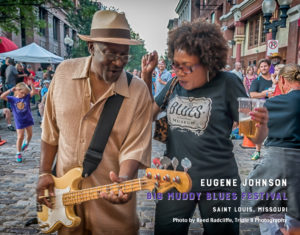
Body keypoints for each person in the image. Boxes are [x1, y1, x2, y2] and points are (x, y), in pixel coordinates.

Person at [36, 10, 152, 235]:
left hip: (113, 211)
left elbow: (135, 148)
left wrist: (124, 180)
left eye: (124, 55)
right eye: (110, 54)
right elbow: (50, 131)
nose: (119, 62)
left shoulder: (138, 91)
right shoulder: (63, 74)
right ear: (91, 48)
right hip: (64, 202)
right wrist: (43, 173)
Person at [142, 19, 247, 235]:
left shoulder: (229, 83)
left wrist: (260, 125)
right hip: (174, 179)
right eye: (175, 65)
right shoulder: (173, 85)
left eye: (186, 67)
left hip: (218, 181)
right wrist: (146, 77)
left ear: (208, 62)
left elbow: (253, 133)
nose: (179, 72)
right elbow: (147, 115)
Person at [249, 63, 300, 234]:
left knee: (267, 210)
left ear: (283, 80)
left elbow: (257, 137)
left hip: (275, 164)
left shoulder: (272, 103)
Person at [0, 82, 37, 162]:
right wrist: (10, 90)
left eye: (25, 93)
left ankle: (26, 143)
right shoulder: (12, 99)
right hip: (19, 121)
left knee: (30, 134)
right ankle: (18, 153)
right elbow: (2, 96)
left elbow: (33, 92)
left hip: (28, 119)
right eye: (22, 93)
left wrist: (32, 85)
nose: (23, 95)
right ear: (17, 91)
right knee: (20, 137)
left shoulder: (26, 97)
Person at [249, 59, 273, 160]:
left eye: (265, 66)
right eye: (261, 66)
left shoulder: (275, 79)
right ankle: (257, 151)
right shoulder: (257, 80)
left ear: (269, 66)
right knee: (259, 130)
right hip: (261, 109)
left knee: (274, 129)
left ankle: (273, 152)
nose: (263, 68)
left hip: (274, 108)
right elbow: (252, 94)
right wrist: (265, 93)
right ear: (259, 68)